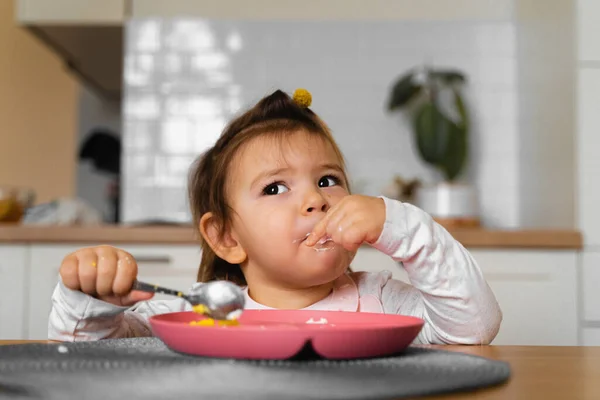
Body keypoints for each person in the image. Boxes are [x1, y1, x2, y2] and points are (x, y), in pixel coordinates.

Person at [48, 89, 502, 344]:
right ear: (225, 237)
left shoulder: (383, 300)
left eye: (328, 180)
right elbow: (87, 350)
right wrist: (91, 297)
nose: (317, 200)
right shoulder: (201, 314)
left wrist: (401, 225)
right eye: (275, 187)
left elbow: (474, 328)